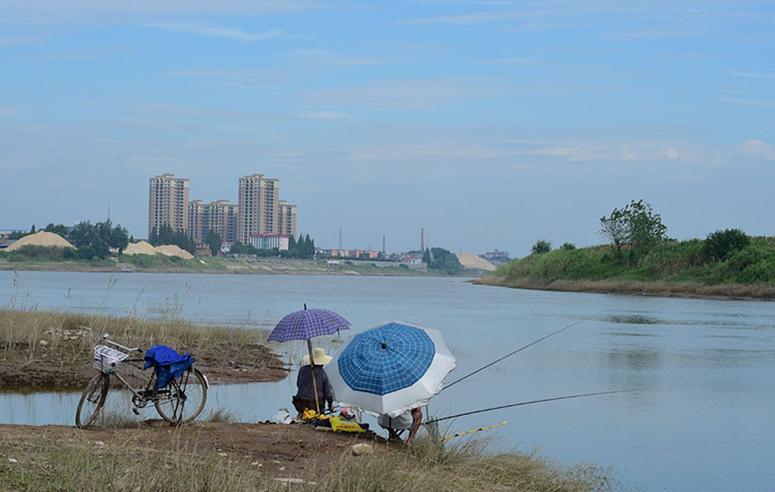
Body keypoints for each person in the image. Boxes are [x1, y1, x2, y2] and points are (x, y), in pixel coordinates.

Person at [292, 347, 335, 417]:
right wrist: (330, 405)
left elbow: (298, 385)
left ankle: (302, 414)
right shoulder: (322, 373)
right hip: (314, 404)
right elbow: (328, 393)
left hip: (300, 402)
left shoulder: (302, 369)